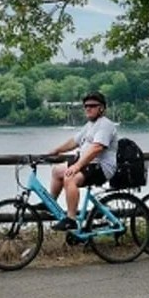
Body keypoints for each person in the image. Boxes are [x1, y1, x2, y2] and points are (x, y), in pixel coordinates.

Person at [47, 91, 118, 231]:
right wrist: (56, 150)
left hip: (102, 167)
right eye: (86, 106)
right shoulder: (90, 125)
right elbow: (74, 141)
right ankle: (50, 204)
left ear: (101, 108)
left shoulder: (105, 125)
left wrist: (77, 166)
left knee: (70, 178)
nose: (88, 108)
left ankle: (71, 219)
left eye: (92, 105)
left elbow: (97, 148)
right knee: (57, 171)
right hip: (89, 164)